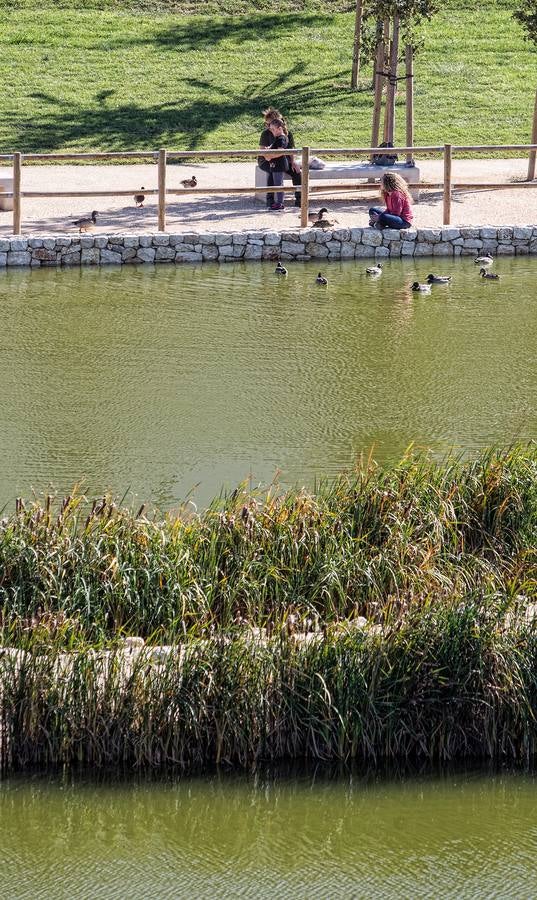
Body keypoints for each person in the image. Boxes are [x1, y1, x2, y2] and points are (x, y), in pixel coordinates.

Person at [258, 107, 302, 208]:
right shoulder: (265, 134)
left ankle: (300, 199)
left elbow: (290, 150)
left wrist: (293, 161)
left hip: (282, 159)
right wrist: (269, 157)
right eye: (267, 124)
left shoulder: (287, 134)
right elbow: (263, 151)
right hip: (266, 160)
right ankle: (271, 199)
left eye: (269, 124)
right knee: (271, 170)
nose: (268, 126)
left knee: (296, 172)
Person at [260, 119, 289, 210]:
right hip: (273, 165)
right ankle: (276, 202)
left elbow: (280, 151)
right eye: (271, 129)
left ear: (279, 128)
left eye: (273, 129)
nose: (271, 131)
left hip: (279, 165)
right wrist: (268, 149)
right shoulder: (277, 138)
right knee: (274, 183)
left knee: (278, 184)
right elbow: (273, 147)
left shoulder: (282, 138)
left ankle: (280, 203)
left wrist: (270, 157)